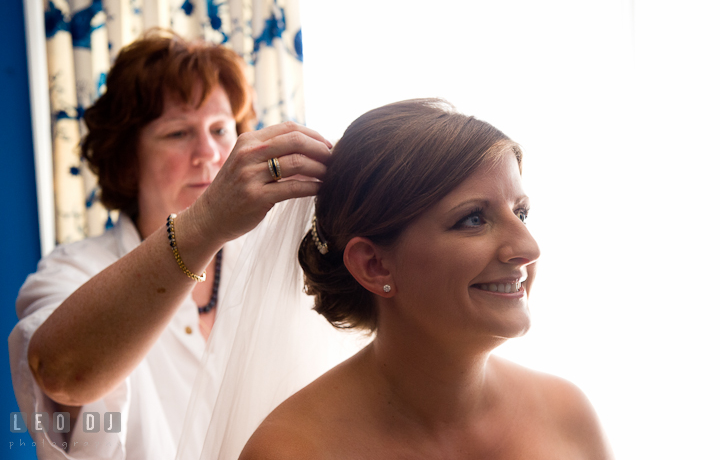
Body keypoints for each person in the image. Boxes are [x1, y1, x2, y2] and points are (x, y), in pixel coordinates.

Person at [8, 29, 333, 460]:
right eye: (178, 133)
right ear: (127, 158)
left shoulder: (280, 264)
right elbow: (61, 373)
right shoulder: (75, 271)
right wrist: (205, 223)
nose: (208, 153)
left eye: (220, 129)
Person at [237, 99, 615, 459]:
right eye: (473, 219)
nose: (528, 248)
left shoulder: (569, 416)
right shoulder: (293, 452)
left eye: (522, 213)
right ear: (374, 265)